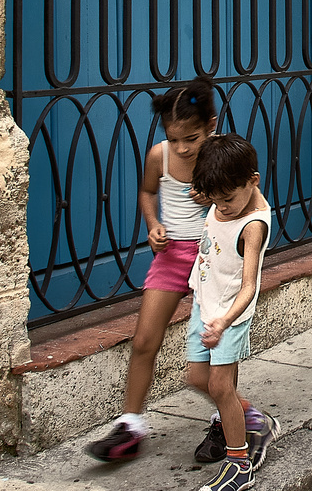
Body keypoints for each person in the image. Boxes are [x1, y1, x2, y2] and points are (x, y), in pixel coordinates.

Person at [85, 78, 217, 464]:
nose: (182, 147)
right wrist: (152, 224)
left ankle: (224, 418)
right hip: (171, 256)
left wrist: (211, 198)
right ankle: (131, 424)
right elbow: (147, 192)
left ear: (211, 124)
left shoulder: (222, 154)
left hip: (212, 257)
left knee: (213, 346)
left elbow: (244, 200)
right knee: (144, 339)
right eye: (174, 138)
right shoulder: (159, 156)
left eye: (191, 138)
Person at [185, 134, 277, 491]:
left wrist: (224, 320)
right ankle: (251, 418)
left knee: (220, 385)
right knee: (196, 378)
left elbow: (250, 286)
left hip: (229, 314)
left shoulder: (252, 224)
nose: (220, 207)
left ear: (253, 181)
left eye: (227, 199)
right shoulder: (226, 189)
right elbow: (219, 167)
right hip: (204, 303)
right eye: (214, 199)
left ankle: (239, 465)